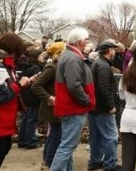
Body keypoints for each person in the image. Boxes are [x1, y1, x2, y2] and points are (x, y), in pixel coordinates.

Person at [50, 28, 96, 171]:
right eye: (86, 40)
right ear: (79, 41)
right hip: (73, 108)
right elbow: (74, 85)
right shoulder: (73, 58)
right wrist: (86, 100)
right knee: (67, 146)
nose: (87, 42)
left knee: (67, 145)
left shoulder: (69, 55)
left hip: (70, 107)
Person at [0, 33, 35, 171]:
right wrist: (19, 85)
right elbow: (0, 96)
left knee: (2, 149)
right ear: (14, 50)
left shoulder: (1, 64)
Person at [31, 41, 66, 169]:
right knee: (56, 136)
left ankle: (46, 161)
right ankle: (49, 163)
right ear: (59, 53)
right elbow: (36, 85)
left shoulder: (58, 66)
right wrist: (48, 97)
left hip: (55, 107)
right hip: (51, 108)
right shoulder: (52, 67)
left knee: (54, 135)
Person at [88, 41, 121, 171]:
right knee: (111, 136)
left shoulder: (98, 63)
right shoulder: (103, 66)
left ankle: (95, 161)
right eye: (114, 49)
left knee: (96, 136)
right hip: (102, 108)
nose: (115, 52)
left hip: (95, 107)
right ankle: (110, 164)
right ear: (109, 50)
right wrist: (110, 106)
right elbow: (104, 88)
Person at [17, 46, 44, 149]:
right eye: (40, 55)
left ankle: (22, 140)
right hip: (33, 96)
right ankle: (30, 141)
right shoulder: (36, 68)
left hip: (25, 96)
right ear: (36, 57)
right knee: (32, 119)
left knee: (26, 118)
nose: (42, 57)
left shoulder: (25, 66)